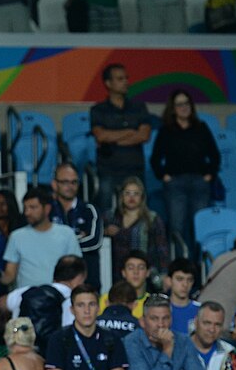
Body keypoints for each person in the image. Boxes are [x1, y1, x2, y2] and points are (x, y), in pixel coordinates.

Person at [150, 90, 219, 253]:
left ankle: (198, 267)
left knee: (200, 227)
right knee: (176, 227)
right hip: (175, 184)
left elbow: (214, 155)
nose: (184, 107)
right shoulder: (166, 130)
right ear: (173, 108)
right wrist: (164, 176)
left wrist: (209, 175)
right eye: (180, 104)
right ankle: (177, 264)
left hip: (199, 183)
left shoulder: (201, 128)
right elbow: (155, 158)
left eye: (187, 103)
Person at [90, 63, 152, 213]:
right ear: (108, 83)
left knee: (139, 211)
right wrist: (131, 131)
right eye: (120, 79)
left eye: (126, 78)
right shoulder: (98, 110)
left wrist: (113, 137)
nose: (125, 82)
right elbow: (101, 135)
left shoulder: (139, 108)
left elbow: (144, 135)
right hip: (108, 169)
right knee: (105, 210)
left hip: (134, 168)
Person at [1, 185, 82, 288]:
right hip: (27, 298)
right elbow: (10, 274)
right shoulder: (16, 236)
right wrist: (0, 277)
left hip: (58, 296)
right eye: (25, 208)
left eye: (33, 207)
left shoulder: (67, 234)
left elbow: (76, 270)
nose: (27, 213)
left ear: (47, 209)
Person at [104, 176, 168, 282]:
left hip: (145, 276)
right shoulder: (110, 217)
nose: (131, 197)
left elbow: (162, 249)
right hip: (115, 275)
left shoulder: (152, 219)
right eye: (127, 193)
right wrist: (105, 232)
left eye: (136, 194)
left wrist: (164, 273)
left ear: (142, 197)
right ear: (121, 196)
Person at [50, 163, 103, 285]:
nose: (70, 186)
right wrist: (78, 237)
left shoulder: (89, 210)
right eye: (65, 182)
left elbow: (94, 242)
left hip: (88, 282)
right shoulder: (47, 211)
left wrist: (59, 244)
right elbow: (43, 241)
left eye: (74, 182)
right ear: (54, 184)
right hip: (55, 281)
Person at [99, 250, 151, 318]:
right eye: (131, 268)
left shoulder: (151, 302)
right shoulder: (106, 299)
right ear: (123, 272)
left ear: (148, 272)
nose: (136, 272)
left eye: (141, 268)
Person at [167, 258, 200, 334]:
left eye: (189, 280)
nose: (185, 284)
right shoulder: (160, 310)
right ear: (169, 280)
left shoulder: (201, 310)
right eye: (179, 279)